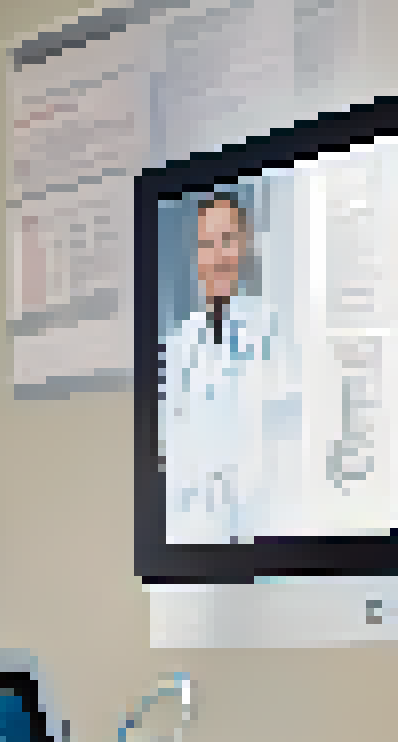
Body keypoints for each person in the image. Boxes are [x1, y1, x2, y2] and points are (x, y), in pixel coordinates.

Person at [161, 192, 280, 544]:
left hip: (259, 539)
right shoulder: (176, 346)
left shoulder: (271, 328)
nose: (218, 257)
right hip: (190, 540)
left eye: (227, 241)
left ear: (244, 246)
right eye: (207, 244)